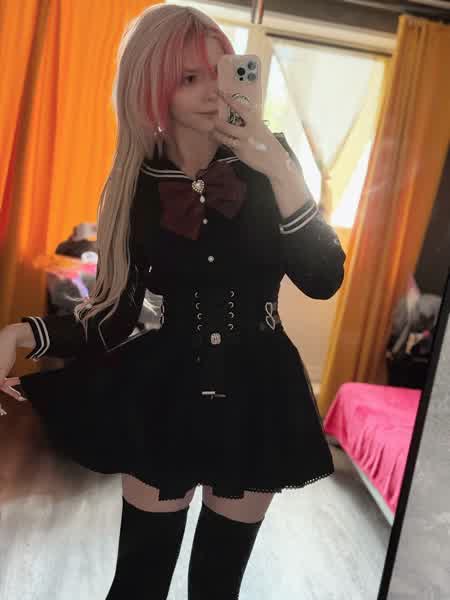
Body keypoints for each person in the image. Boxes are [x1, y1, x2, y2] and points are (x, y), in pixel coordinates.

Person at [0, 4, 346, 599]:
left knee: (217, 586)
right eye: (189, 77)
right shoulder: (134, 183)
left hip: (258, 392)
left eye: (220, 71)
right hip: (164, 392)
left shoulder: (272, 158)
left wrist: (280, 171)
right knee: (138, 580)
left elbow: (322, 278)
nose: (212, 90)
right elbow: (119, 312)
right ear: (152, 89)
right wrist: (23, 334)